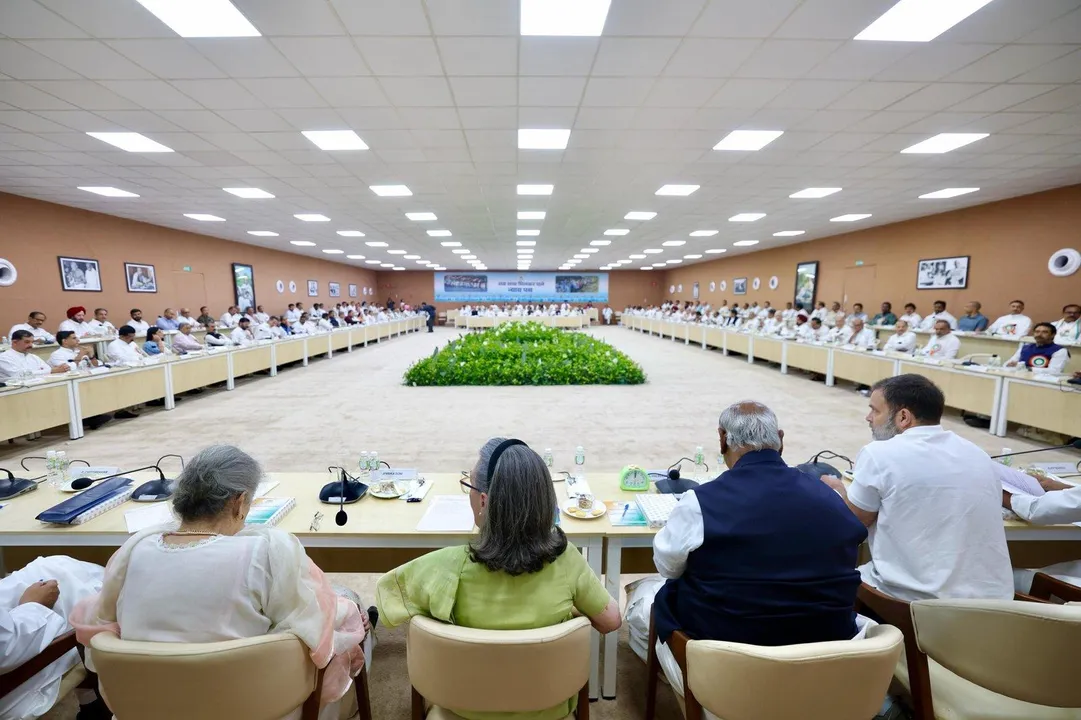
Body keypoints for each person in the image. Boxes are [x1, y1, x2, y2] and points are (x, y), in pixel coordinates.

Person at [70, 445, 371, 720]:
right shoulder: (268, 549)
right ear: (239, 502)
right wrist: (350, 613)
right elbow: (314, 632)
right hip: (255, 708)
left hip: (147, 706)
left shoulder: (134, 549)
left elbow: (98, 624)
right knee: (350, 613)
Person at [625, 402, 867, 705]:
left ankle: (698, 696)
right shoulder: (830, 497)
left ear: (723, 438)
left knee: (642, 598)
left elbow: (668, 568)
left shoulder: (699, 502)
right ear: (780, 438)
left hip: (728, 664)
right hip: (821, 657)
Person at [377, 438, 620, 720]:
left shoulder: (444, 566)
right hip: (548, 712)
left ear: (483, 501)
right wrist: (572, 613)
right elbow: (611, 620)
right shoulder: (568, 562)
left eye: (468, 486)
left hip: (464, 709)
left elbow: (390, 604)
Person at [819, 374, 1013, 601]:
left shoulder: (879, 453)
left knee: (832, 578)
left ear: (903, 417)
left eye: (875, 410)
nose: (868, 418)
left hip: (911, 602)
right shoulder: (977, 453)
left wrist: (839, 491)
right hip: (994, 603)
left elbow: (853, 526)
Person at [0, 556, 108, 720]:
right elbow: (7, 647)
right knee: (79, 591)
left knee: (51, 568)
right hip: (13, 681)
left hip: (12, 629)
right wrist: (33, 605)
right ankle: (97, 707)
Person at [1002, 468, 1081, 591]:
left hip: (1073, 594)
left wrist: (1001, 493)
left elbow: (1036, 510)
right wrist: (1064, 488)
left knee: (993, 579)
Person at [0, 330, 71, 381]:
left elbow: (47, 369)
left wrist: (54, 370)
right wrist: (51, 370)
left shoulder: (33, 357)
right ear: (14, 342)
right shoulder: (4, 357)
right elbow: (20, 375)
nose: (31, 345)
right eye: (27, 342)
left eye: (32, 342)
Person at [1004, 322, 1071, 374]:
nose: (1039, 334)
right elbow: (1008, 363)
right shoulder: (1025, 347)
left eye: (1044, 332)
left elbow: (1054, 371)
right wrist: (1009, 364)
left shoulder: (1060, 350)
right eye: (1037, 332)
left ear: (1053, 335)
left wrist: (1028, 369)